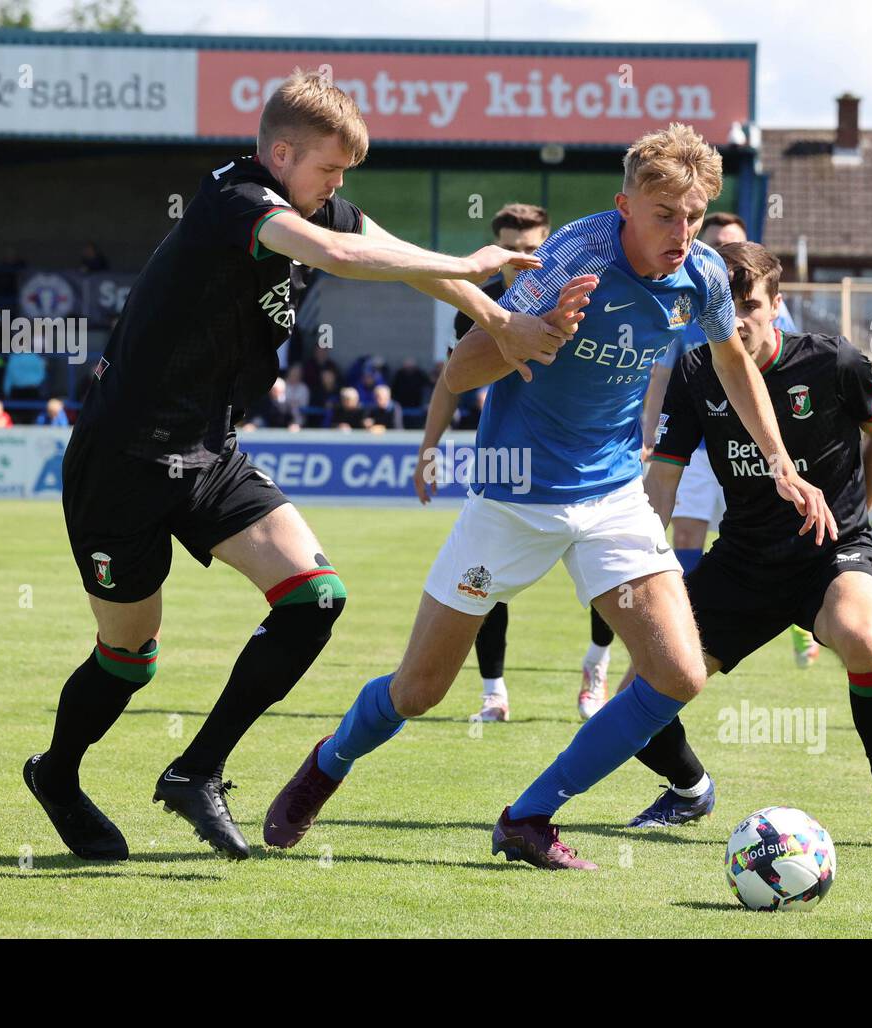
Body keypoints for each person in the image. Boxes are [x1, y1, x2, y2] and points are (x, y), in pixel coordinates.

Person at [22, 69, 563, 863]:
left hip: (209, 451)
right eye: (329, 170)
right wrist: (473, 259)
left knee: (316, 598)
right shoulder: (238, 202)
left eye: (345, 175)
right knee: (129, 658)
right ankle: (58, 775)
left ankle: (196, 771)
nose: (338, 186)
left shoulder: (320, 204)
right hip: (123, 461)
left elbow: (391, 257)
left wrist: (499, 319)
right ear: (281, 153)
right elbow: (342, 255)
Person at [263, 123, 835, 869]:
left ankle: (529, 816)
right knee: (421, 689)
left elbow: (733, 359)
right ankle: (327, 765)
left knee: (679, 674)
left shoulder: (700, 273)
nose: (682, 233)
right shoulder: (572, 257)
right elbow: (459, 373)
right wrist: (526, 333)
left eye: (693, 216)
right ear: (623, 204)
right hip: (512, 496)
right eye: (665, 215)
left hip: (611, 495)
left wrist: (780, 462)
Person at [618, 241, 872, 852]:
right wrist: (638, 564)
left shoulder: (833, 362)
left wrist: (859, 518)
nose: (738, 318)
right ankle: (691, 789)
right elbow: (664, 478)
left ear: (777, 305)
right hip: (743, 561)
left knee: (861, 636)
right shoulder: (696, 373)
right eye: (724, 305)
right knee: (633, 702)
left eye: (750, 304)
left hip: (831, 555)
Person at [412, 202, 617, 722]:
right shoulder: (477, 310)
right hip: (505, 459)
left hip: (582, 463)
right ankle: (493, 693)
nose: (524, 259)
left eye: (533, 248)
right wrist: (429, 449)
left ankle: (596, 668)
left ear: (550, 244)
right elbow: (449, 381)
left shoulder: (592, 295)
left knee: (609, 583)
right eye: (513, 250)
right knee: (484, 582)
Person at [641, 209, 820, 671]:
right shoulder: (689, 294)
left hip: (766, 450)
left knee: (784, 537)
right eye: (715, 242)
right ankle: (685, 620)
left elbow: (786, 370)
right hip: (703, 441)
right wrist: (650, 428)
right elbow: (667, 366)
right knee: (687, 531)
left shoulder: (764, 296)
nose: (722, 249)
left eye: (731, 241)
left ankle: (804, 621)